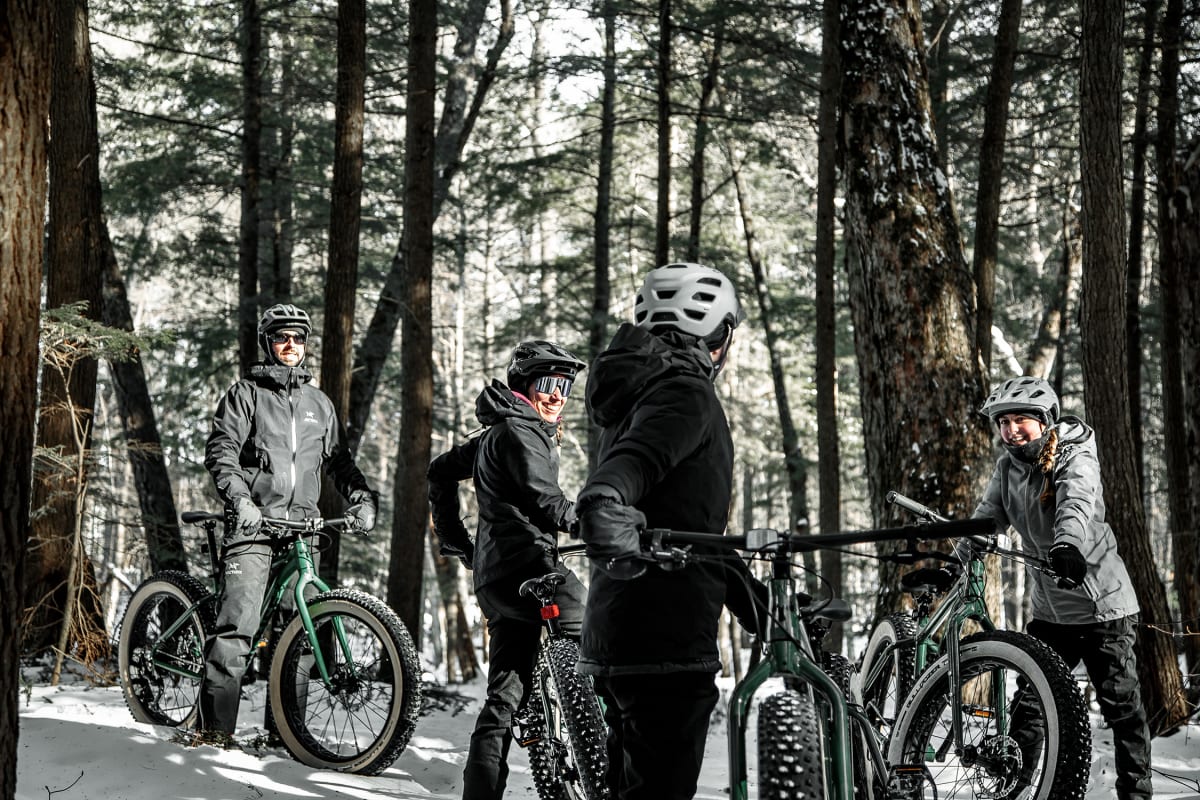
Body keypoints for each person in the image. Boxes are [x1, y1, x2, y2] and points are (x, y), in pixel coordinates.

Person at [573, 262, 765, 800]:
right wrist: (604, 501)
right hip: (666, 645)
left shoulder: (637, 393)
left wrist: (764, 611)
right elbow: (624, 473)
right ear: (718, 333)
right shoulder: (685, 393)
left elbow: (690, 526)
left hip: (623, 636)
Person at [198, 303, 378, 742]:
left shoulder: (320, 403)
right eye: (282, 337)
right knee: (237, 629)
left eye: (298, 338)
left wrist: (361, 497)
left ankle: (285, 734)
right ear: (268, 342)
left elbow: (339, 462)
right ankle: (212, 735)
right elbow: (221, 452)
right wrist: (240, 499)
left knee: (297, 635)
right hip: (255, 527)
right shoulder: (246, 395)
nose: (291, 345)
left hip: (303, 531)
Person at [974, 376, 1152, 800]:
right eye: (1003, 422)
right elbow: (986, 519)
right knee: (1031, 704)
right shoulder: (1007, 469)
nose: (1010, 430)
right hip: (1050, 612)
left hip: (1102, 608)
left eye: (1020, 420)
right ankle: (1010, 788)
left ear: (1044, 421)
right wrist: (961, 557)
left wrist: (1067, 544)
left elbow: (1076, 503)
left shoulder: (1075, 458)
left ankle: (1137, 794)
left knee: (1121, 708)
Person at [427, 340, 589, 800]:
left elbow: (439, 471)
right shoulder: (520, 431)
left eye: (565, 385)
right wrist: (598, 523)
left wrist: (457, 540)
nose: (558, 394)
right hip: (533, 569)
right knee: (603, 641)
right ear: (524, 385)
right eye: (549, 383)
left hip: (495, 578)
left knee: (502, 698)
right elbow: (546, 498)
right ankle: (601, 753)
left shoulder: (497, 431)